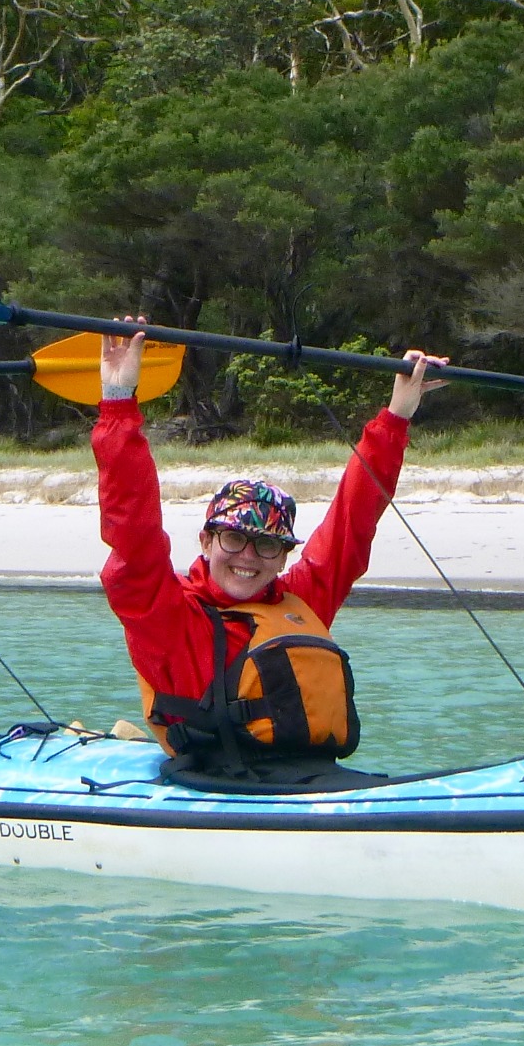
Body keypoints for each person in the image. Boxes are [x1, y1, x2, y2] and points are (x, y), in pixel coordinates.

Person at [93, 330, 442, 774]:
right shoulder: (165, 616)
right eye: (234, 538)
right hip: (216, 781)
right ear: (205, 541)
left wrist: (396, 416)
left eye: (268, 545)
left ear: (282, 557)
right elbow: (133, 531)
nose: (249, 557)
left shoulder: (301, 600)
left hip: (308, 775)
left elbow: (353, 521)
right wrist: (119, 400)